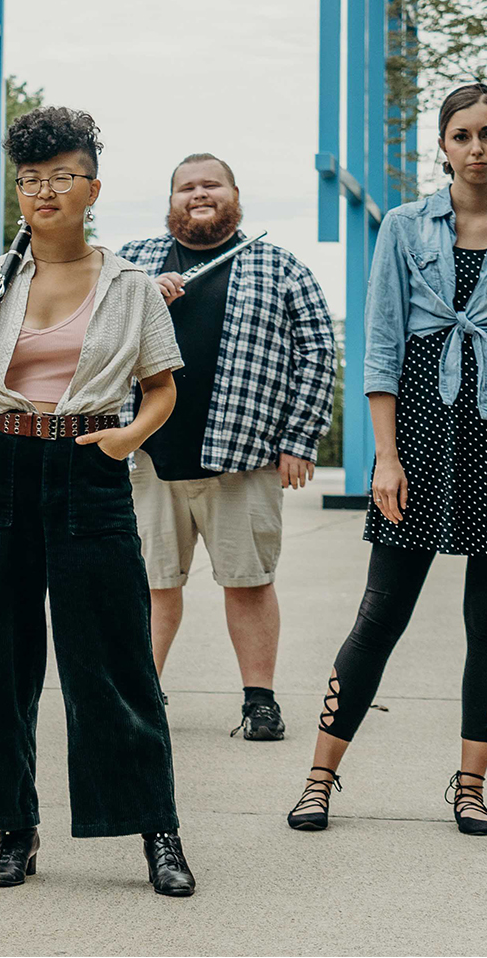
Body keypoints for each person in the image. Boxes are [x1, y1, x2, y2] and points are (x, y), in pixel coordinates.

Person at [287, 82, 487, 838]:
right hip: (418, 426)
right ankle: (320, 777)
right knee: (381, 610)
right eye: (461, 135)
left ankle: (470, 786)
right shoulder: (401, 227)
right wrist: (384, 457)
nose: (475, 148)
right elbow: (380, 345)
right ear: (442, 146)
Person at [0, 106, 196, 897]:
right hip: (2, 464)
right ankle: (13, 827)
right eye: (30, 179)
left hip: (88, 461)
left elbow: (160, 389)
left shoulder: (128, 284)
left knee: (111, 659)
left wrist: (124, 439)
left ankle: (157, 828)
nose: (43, 191)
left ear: (91, 187)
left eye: (60, 177)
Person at [117, 154, 336, 741]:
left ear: (235, 195)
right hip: (145, 455)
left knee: (249, 582)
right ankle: (140, 699)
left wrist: (299, 438)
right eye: (186, 187)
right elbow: (90, 336)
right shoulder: (128, 265)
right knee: (151, 585)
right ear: (172, 201)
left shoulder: (280, 266)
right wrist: (139, 302)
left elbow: (317, 353)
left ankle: (259, 701)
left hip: (245, 455)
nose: (199, 194)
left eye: (211, 184)